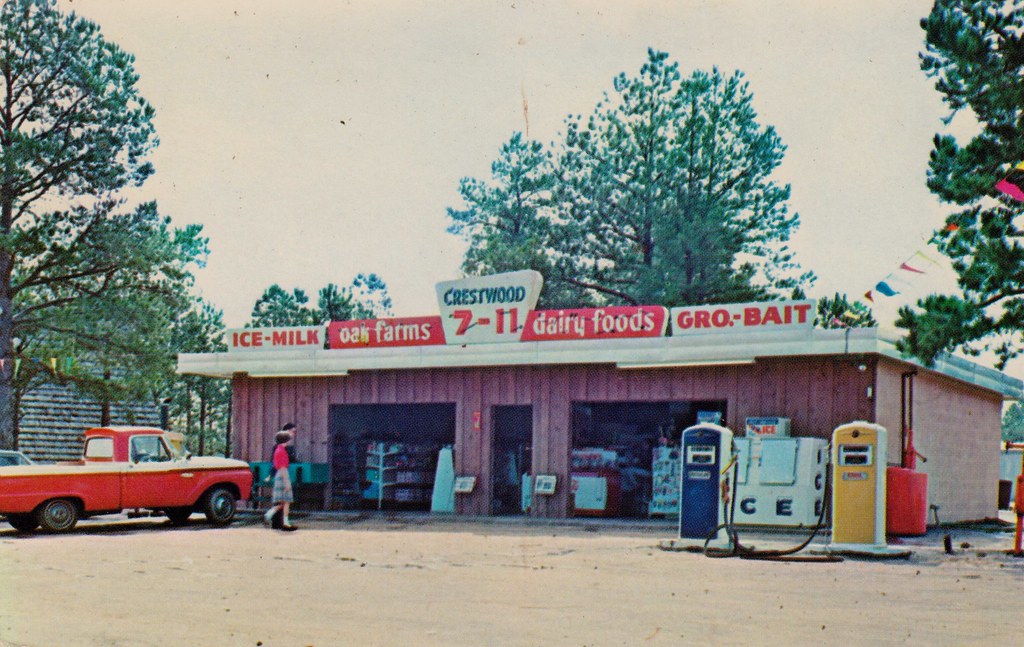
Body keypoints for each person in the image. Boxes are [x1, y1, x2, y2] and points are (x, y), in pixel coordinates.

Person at [263, 424, 298, 531]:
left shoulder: (278, 450)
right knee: (286, 501)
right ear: (286, 440)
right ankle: (285, 523)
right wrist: (287, 482)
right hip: (283, 475)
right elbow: (283, 468)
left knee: (282, 501)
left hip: (278, 475)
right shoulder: (282, 452)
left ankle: (269, 514)